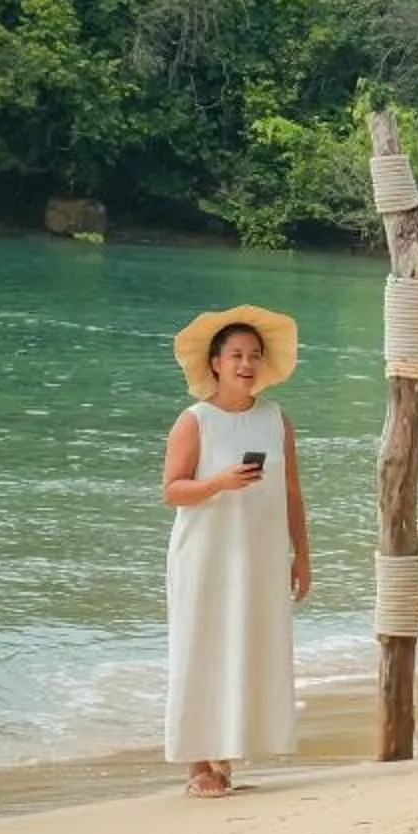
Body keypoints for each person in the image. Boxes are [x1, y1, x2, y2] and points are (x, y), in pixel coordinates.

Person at [161, 305, 311, 797]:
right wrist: (220, 482)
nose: (246, 364)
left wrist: (302, 556)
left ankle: (227, 754)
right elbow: (172, 491)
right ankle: (197, 764)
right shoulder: (194, 420)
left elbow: (291, 491)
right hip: (205, 553)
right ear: (216, 363)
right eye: (236, 355)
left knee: (249, 644)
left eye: (254, 355)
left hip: (260, 552)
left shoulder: (275, 419)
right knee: (202, 645)